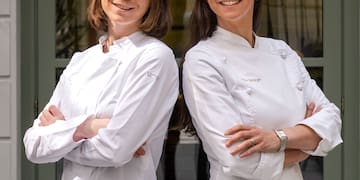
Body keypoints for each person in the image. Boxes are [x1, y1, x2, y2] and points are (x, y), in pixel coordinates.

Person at [181, 0, 342, 179]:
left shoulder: (282, 51)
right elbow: (237, 160)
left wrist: (278, 138)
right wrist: (303, 147)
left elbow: (331, 120)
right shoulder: (202, 60)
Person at [23, 0, 179, 179]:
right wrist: (89, 127)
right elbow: (33, 145)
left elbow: (115, 150)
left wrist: (61, 138)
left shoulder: (155, 58)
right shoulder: (81, 61)